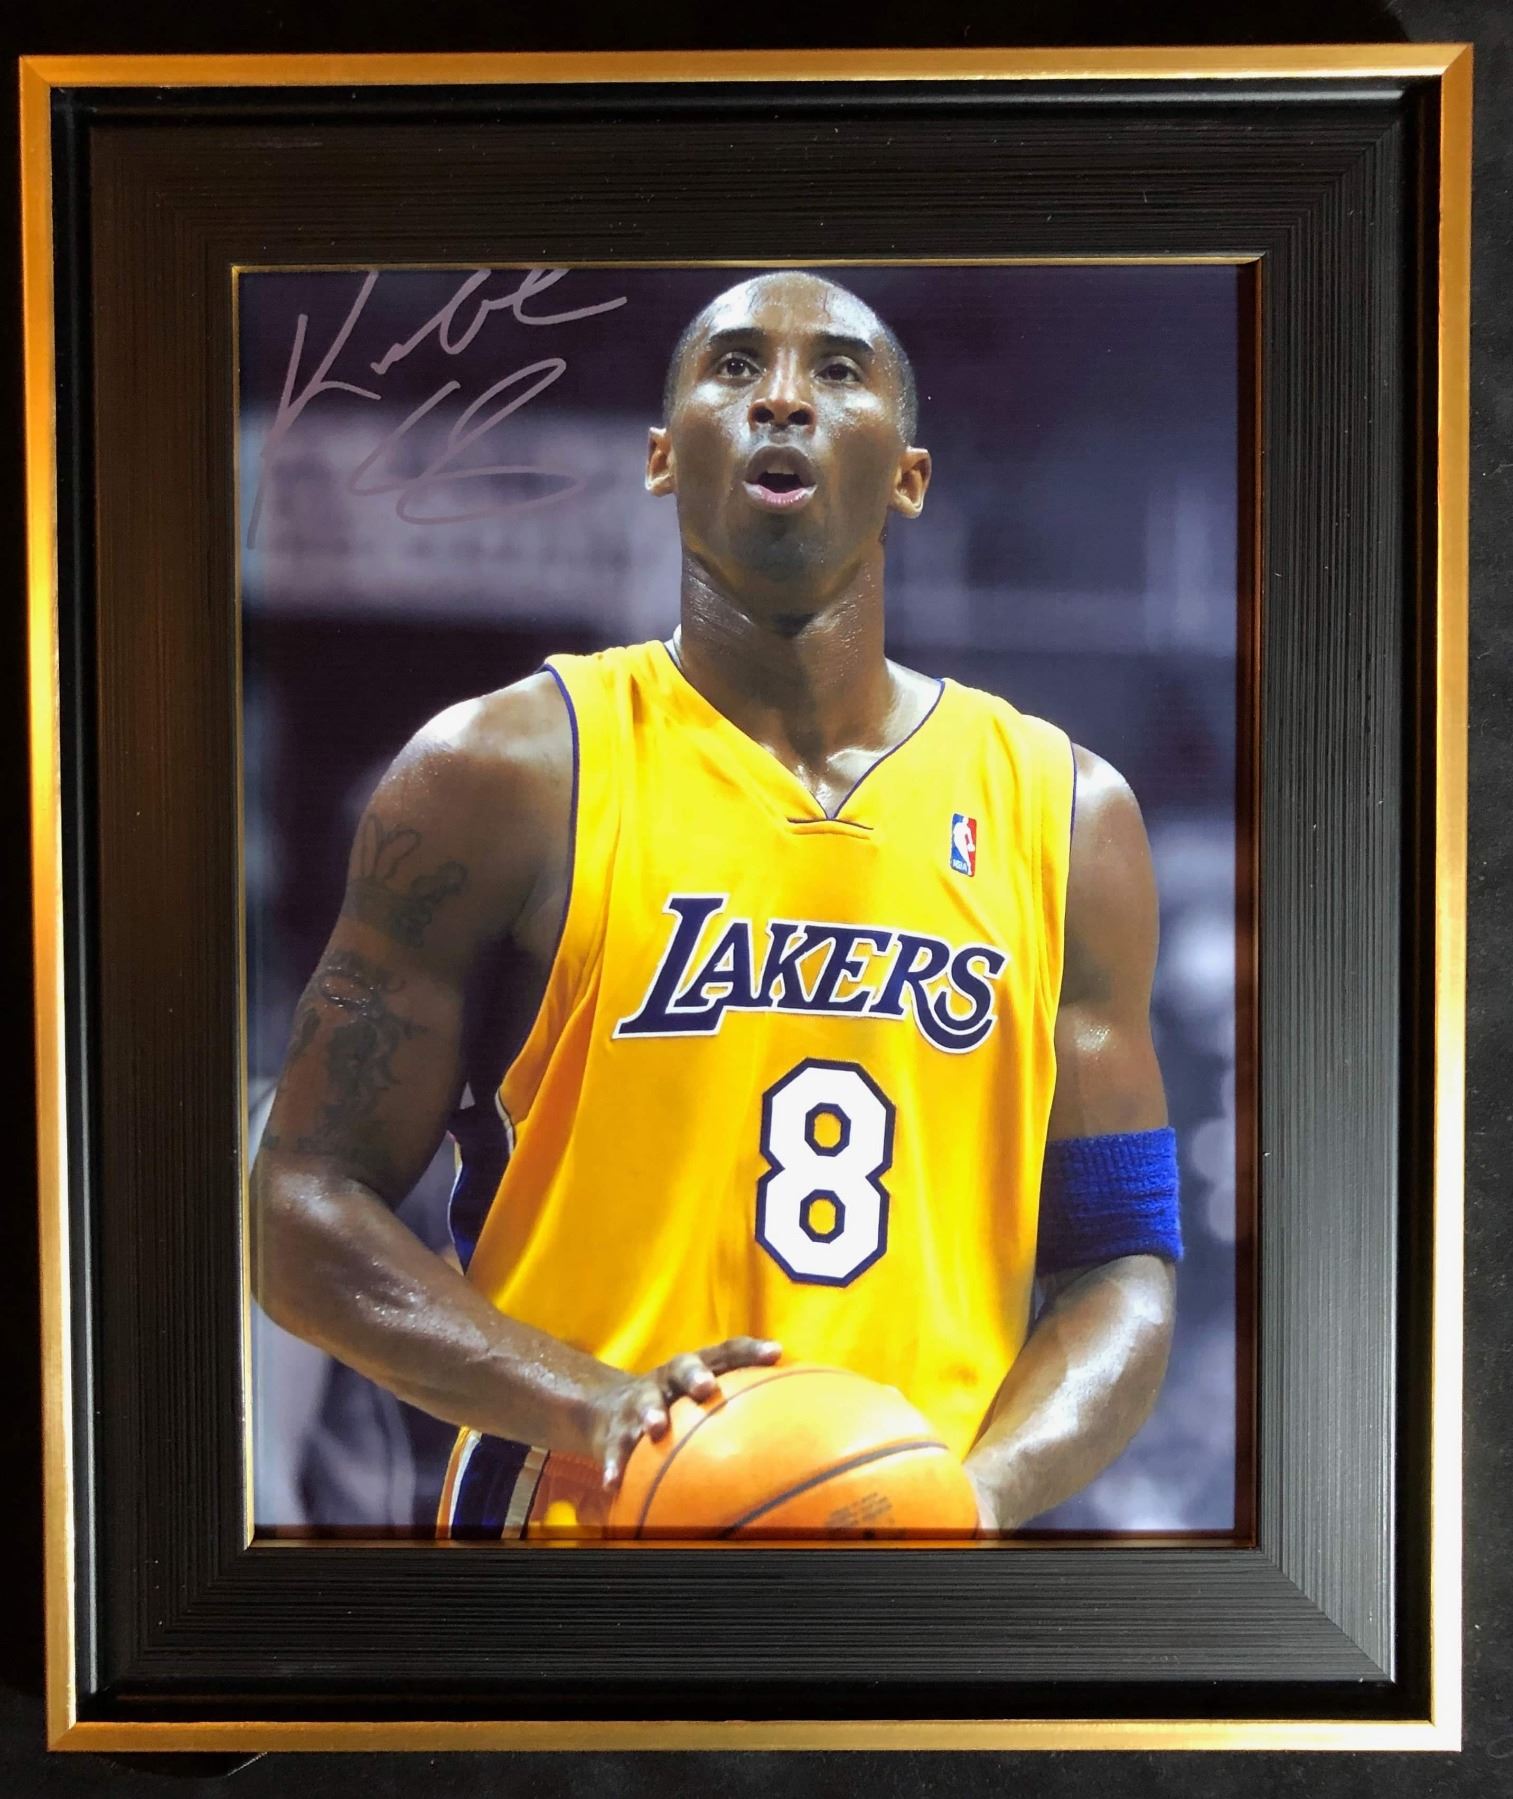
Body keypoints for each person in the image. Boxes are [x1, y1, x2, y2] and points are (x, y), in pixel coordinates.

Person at [251, 269, 1181, 1539]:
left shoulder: (1066, 814)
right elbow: (299, 1205)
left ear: (908, 477)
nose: (782, 398)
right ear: (660, 456)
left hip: (915, 1585)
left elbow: (1120, 1256)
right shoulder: (504, 773)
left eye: (838, 371)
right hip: (574, 1553)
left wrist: (970, 1497)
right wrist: (595, 1403)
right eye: (734, 366)